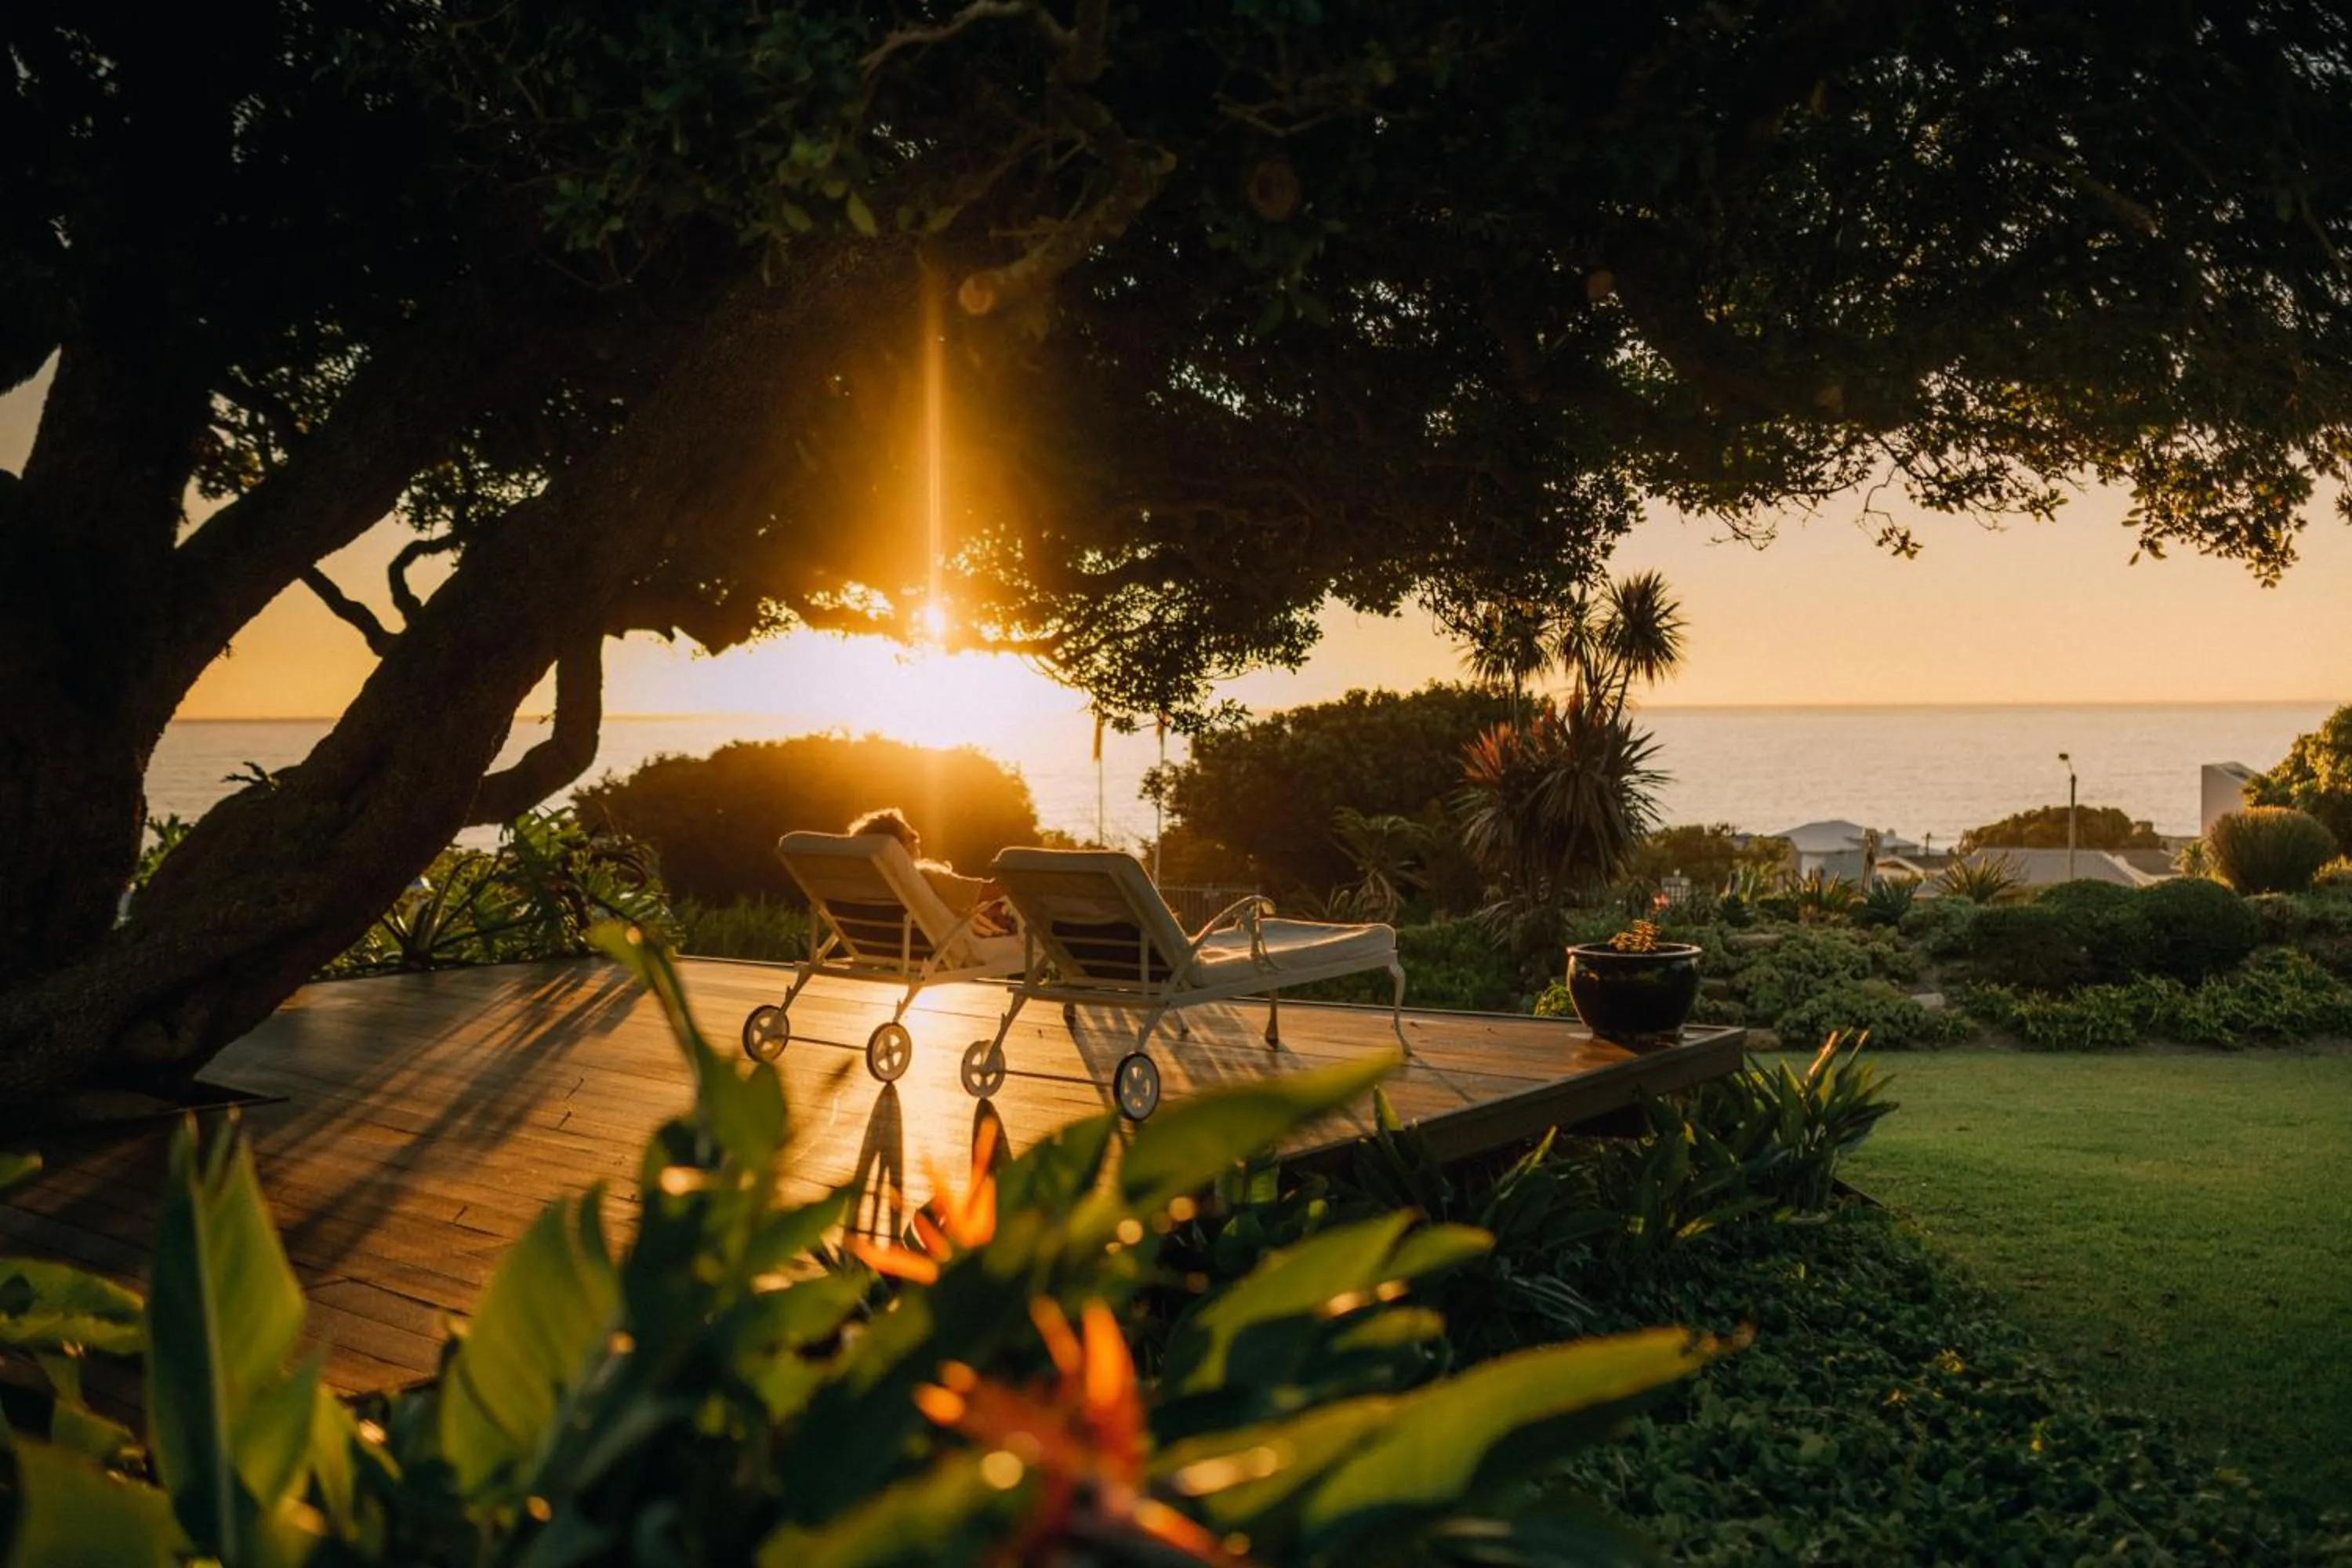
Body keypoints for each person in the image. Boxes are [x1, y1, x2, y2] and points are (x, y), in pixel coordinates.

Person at [846, 808, 1015, 936]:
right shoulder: (924, 879)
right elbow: (994, 891)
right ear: (898, 848)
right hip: (933, 950)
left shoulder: (863, 883)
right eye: (912, 836)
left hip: (875, 943)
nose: (917, 840)